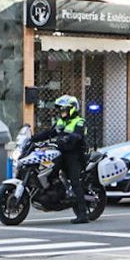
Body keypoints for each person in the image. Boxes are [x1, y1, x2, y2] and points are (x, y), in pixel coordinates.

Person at [31, 94, 91, 223]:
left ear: (72, 109)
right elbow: (49, 133)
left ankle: (83, 215)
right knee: (49, 172)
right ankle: (55, 194)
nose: (61, 112)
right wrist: (32, 138)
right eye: (61, 110)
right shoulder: (60, 122)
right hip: (60, 153)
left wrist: (68, 138)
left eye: (64, 109)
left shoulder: (79, 121)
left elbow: (78, 135)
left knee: (75, 182)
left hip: (75, 155)